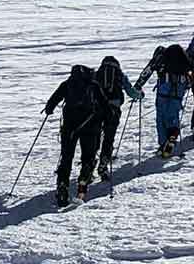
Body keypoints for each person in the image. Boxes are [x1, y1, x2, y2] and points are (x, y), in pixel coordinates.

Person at [39, 63, 104, 204]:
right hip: (90, 126)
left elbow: (52, 103)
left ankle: (62, 186)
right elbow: (104, 105)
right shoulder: (93, 84)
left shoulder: (67, 84)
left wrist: (49, 110)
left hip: (69, 127)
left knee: (66, 157)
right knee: (88, 157)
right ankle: (82, 185)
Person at [134, 44, 191, 157]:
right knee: (173, 115)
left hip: (164, 87)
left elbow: (147, 71)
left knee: (161, 116)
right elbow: (189, 70)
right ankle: (172, 136)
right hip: (179, 87)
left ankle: (163, 143)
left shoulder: (160, 57)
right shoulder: (181, 57)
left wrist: (137, 87)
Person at [93, 55, 141, 180]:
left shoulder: (96, 74)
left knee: (94, 137)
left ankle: (90, 164)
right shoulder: (120, 75)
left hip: (96, 110)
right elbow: (131, 92)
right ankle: (103, 165)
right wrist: (139, 95)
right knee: (109, 137)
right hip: (113, 110)